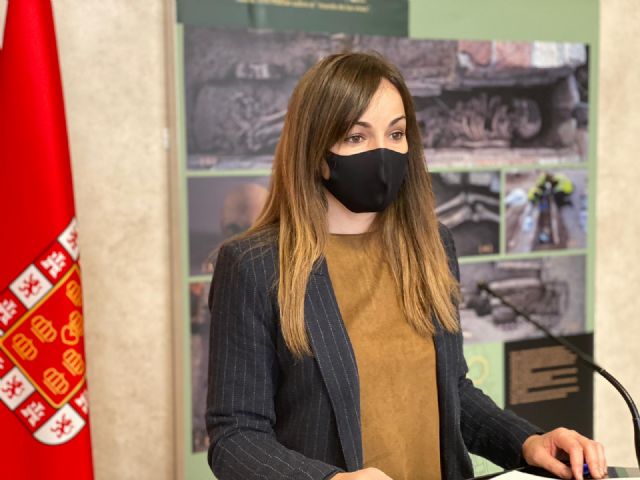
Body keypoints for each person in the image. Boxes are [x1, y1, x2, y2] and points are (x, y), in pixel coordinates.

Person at [205, 51, 606, 480]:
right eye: (356, 137)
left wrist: (527, 441)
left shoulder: (432, 245)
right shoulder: (254, 266)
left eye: (396, 134)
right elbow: (236, 437)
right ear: (316, 150)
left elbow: (450, 392)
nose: (383, 153)